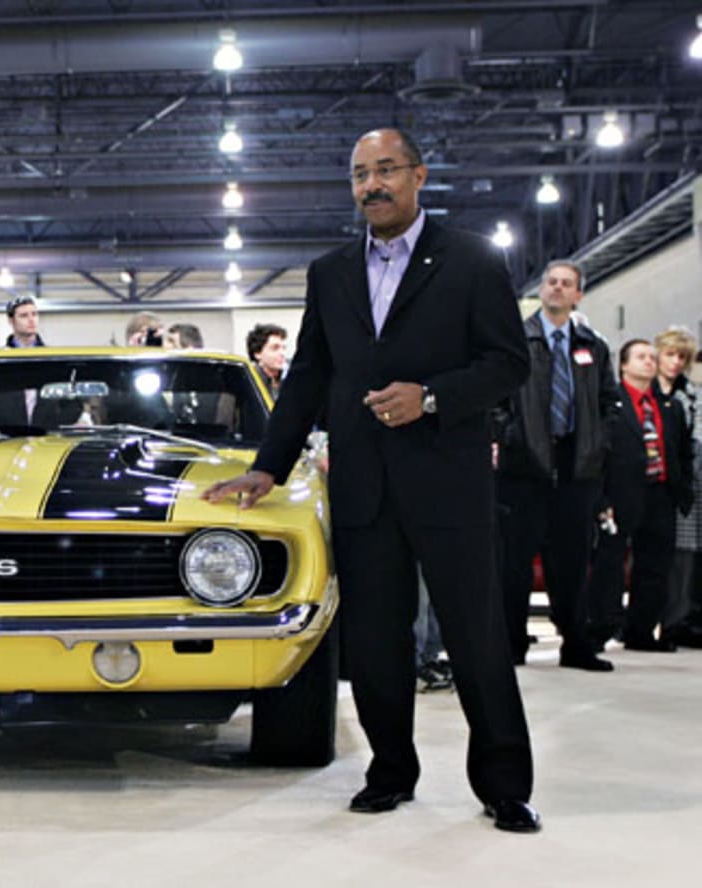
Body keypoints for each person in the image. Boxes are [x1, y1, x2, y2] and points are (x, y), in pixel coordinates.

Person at [203, 128, 538, 833]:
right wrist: (267, 463)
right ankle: (389, 771)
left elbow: (508, 363)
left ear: (418, 176)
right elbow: (308, 377)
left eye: (385, 170)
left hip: (447, 478)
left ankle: (503, 784)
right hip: (361, 483)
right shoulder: (329, 272)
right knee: (377, 639)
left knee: (475, 635)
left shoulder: (471, 261)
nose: (371, 185)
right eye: (359, 174)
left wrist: (433, 396)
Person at [494, 260, 618, 671]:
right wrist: (508, 435)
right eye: (552, 282)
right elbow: (495, 399)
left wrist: (600, 442)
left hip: (575, 466)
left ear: (578, 294)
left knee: (570, 562)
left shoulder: (592, 346)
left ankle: (576, 645)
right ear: (541, 289)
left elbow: (608, 402)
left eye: (567, 284)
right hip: (523, 465)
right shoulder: (515, 339)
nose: (558, 289)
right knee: (513, 564)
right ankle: (511, 645)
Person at [588, 339, 693, 651]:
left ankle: (642, 631)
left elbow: (683, 451)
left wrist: (680, 488)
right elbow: (598, 454)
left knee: (655, 565)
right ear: (623, 364)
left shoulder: (668, 406)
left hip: (660, 493)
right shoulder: (611, 404)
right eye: (641, 357)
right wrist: (601, 499)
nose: (649, 362)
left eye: (651, 357)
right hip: (621, 493)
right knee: (610, 564)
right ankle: (601, 627)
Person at [654, 326, 702, 647]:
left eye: (681, 357)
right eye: (670, 354)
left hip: (686, 483)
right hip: (651, 481)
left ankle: (679, 619)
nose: (675, 362)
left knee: (685, 557)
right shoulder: (646, 391)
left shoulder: (692, 395)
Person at [246, 324, 288, 399]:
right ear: (257, 353)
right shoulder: (248, 383)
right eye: (275, 348)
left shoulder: (288, 381)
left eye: (284, 348)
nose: (282, 353)